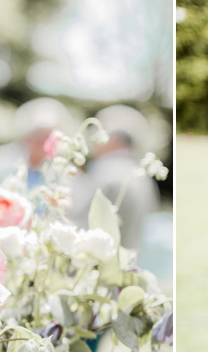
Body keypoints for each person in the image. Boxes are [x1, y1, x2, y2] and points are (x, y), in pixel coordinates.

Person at [67, 104, 160, 251]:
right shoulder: (143, 176)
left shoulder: (106, 173)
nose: (93, 141)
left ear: (113, 138)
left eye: (97, 134)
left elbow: (77, 225)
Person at [0, 97, 76, 193]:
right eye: (38, 137)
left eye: (49, 139)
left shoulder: (65, 177)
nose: (44, 144)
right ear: (25, 135)